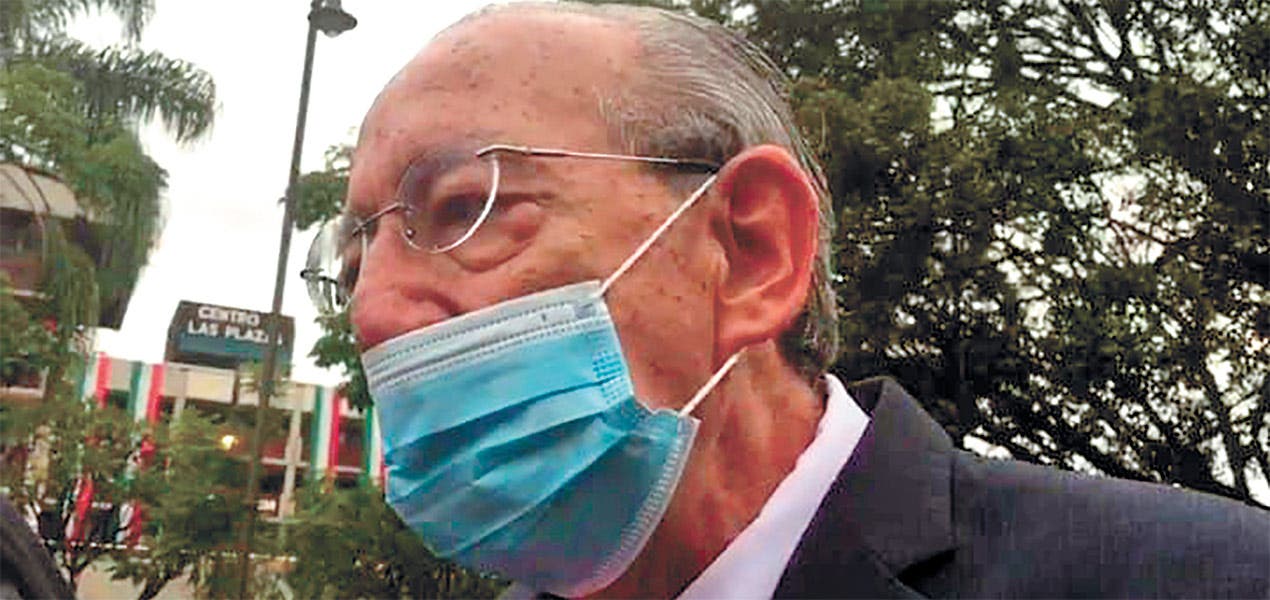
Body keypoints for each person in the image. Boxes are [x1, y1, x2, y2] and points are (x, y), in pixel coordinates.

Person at [302, 2, 1270, 598]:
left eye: (464, 208)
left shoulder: (1204, 580)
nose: (374, 314)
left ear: (750, 252)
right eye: (352, 260)